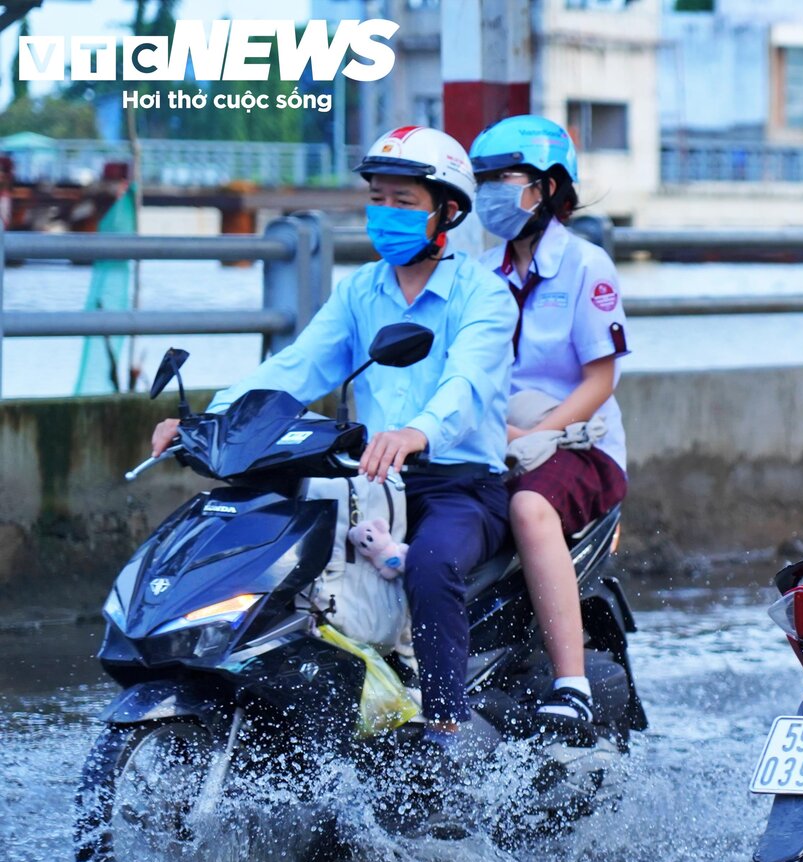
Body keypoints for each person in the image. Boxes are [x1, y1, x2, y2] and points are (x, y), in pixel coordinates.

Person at [151, 125, 517, 769]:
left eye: (404, 201)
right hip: (370, 482)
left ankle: (445, 731)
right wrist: (208, 420)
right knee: (279, 556)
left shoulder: (482, 294)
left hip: (458, 483)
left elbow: (467, 383)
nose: (385, 213)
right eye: (378, 199)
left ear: (447, 212)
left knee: (432, 563)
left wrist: (417, 431)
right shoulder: (360, 291)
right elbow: (296, 368)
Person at [470, 114, 633, 743]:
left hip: (579, 444)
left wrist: (535, 438)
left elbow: (600, 381)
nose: (492, 192)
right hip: (495, 438)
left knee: (531, 509)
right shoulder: (480, 273)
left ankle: (572, 685)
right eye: (484, 180)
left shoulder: (587, 265)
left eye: (506, 178)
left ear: (549, 186)